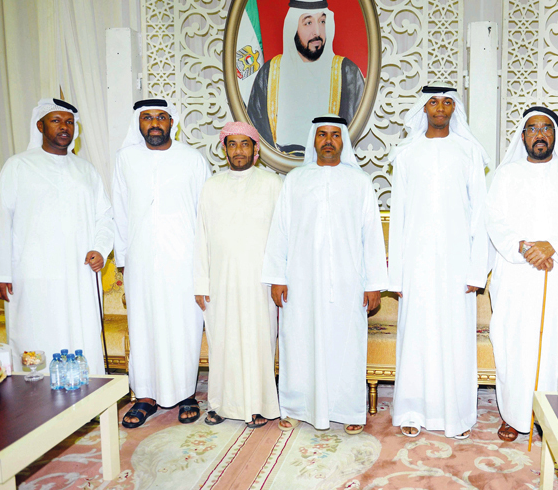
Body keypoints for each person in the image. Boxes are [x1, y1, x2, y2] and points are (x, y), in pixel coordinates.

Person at [261, 114, 387, 434]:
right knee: (298, 343)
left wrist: (373, 284)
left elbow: (371, 236)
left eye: (334, 135)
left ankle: (349, 410)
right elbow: (280, 231)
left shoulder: (359, 182)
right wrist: (277, 277)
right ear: (313, 140)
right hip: (301, 282)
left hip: (347, 282)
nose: (328, 141)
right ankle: (295, 407)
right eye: (322, 135)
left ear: (343, 140)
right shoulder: (296, 180)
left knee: (347, 345)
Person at [485, 107, 558, 441]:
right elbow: (494, 219)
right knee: (513, 343)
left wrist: (553, 247)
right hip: (515, 275)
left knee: (555, 345)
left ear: (555, 135)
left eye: (546, 128)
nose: (539, 134)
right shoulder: (506, 175)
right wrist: (524, 248)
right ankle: (513, 414)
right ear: (522, 136)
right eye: (532, 129)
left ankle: (552, 416)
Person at [387, 83, 489, 439]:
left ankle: (455, 416)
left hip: (457, 264)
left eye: (447, 102)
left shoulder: (469, 153)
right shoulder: (406, 154)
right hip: (416, 263)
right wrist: (397, 276)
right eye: (433, 102)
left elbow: (480, 215)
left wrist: (477, 270)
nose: (440, 108)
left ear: (454, 108)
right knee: (416, 337)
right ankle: (412, 411)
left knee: (455, 338)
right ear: (424, 108)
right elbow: (398, 217)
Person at [0, 98, 114, 374]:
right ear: (40, 126)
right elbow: (1, 218)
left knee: (81, 336)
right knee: (34, 334)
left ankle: (85, 395)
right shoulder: (18, 165)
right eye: (56, 121)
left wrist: (100, 249)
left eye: (69, 122)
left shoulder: (86, 170)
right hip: (33, 274)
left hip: (78, 274)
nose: (64, 127)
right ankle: (34, 398)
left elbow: (105, 216)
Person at [112, 99, 211, 428]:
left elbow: (204, 213)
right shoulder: (125, 159)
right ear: (138, 123)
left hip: (183, 259)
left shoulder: (192, 159)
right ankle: (145, 396)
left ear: (171, 122)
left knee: (184, 326)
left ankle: (186, 394)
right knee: (143, 326)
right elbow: (119, 211)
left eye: (161, 117)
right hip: (140, 260)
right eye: (147, 117)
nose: (154, 123)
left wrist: (204, 261)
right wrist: (123, 259)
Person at [193, 121, 282, 428]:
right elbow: (201, 237)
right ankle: (219, 404)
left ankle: (258, 405)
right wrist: (201, 283)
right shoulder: (211, 186)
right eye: (232, 144)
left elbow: (282, 236)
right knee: (223, 343)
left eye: (245, 144)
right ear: (225, 149)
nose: (239, 150)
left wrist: (279, 278)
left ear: (255, 150)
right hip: (221, 282)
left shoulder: (272, 184)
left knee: (259, 342)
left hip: (260, 282)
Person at [247, 0, 365, 154]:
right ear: (292, 28)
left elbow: (355, 128)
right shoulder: (270, 73)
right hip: (277, 165)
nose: (317, 32)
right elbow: (255, 130)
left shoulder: (347, 72)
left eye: (322, 22)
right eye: (308, 23)